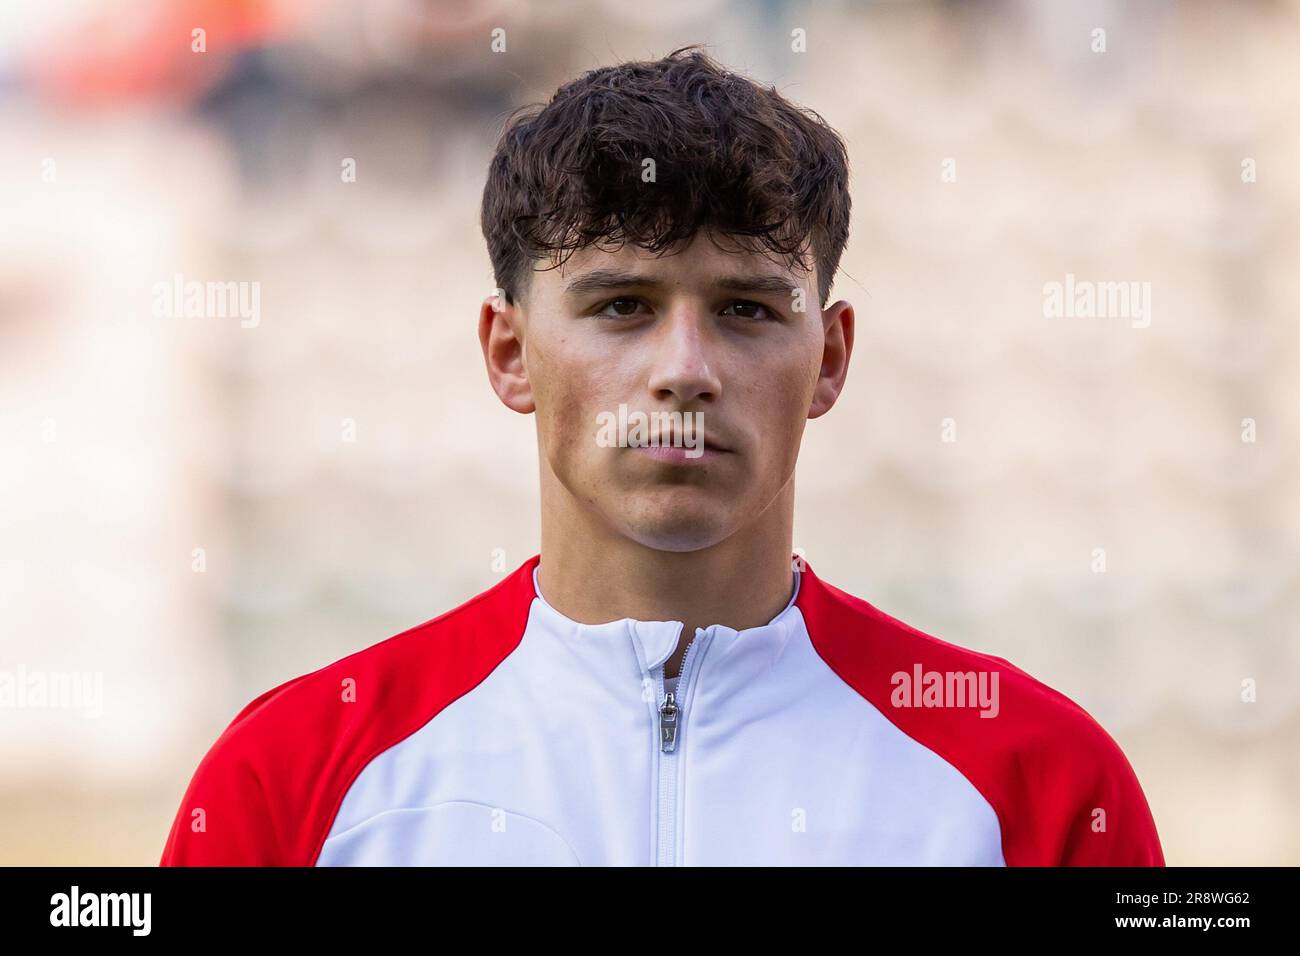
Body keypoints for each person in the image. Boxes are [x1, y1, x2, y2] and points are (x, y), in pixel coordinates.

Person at [160, 46, 1163, 866]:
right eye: (621, 306)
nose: (685, 368)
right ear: (510, 354)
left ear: (830, 358)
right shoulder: (294, 780)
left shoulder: (1038, 783)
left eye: (745, 309)